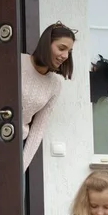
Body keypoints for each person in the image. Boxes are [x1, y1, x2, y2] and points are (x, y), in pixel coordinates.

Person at [21, 21, 76, 171]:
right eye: (61, 48)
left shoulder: (54, 85)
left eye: (69, 51)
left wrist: (21, 168)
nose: (65, 56)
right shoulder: (16, 62)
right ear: (46, 44)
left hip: (17, 145)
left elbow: (38, 130)